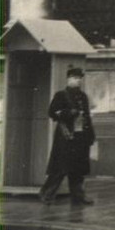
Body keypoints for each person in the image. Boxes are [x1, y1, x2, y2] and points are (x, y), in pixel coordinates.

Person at [39, 66, 96, 205]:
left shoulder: (83, 96)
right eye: (75, 78)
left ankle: (78, 196)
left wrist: (90, 135)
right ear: (68, 79)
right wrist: (69, 113)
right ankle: (47, 194)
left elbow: (87, 117)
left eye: (80, 79)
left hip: (80, 136)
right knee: (61, 167)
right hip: (66, 136)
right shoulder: (61, 95)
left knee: (78, 168)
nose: (78, 81)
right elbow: (52, 112)